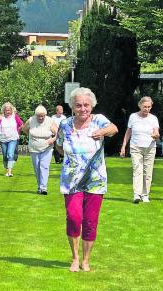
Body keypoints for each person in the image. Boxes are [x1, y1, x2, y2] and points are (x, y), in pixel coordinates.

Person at [55, 87, 118, 272]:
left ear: (92, 105)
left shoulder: (98, 120)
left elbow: (114, 128)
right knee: (74, 218)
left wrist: (103, 133)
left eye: (86, 105)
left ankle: (86, 260)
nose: (83, 109)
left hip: (95, 180)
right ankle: (74, 258)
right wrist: (72, 159)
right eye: (79, 105)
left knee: (90, 221)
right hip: (72, 180)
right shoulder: (65, 125)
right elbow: (59, 146)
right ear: (73, 107)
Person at [121, 96, 160, 203]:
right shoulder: (133, 117)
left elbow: (156, 132)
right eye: (144, 107)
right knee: (137, 170)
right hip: (136, 147)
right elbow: (128, 132)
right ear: (140, 106)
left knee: (147, 172)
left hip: (150, 148)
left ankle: (145, 194)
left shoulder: (153, 118)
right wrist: (123, 146)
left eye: (149, 107)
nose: (146, 109)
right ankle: (137, 194)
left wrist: (155, 135)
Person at [22, 105, 58, 195]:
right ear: (36, 115)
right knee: (37, 167)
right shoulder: (31, 120)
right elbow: (24, 129)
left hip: (47, 148)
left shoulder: (50, 121)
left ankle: (44, 188)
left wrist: (52, 140)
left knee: (44, 166)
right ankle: (39, 186)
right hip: (34, 148)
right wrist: (31, 137)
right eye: (39, 116)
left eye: (42, 116)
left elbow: (59, 133)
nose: (41, 118)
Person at [0, 102, 22, 177]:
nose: (7, 112)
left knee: (10, 154)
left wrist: (17, 131)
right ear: (3, 110)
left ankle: (9, 171)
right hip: (3, 139)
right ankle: (6, 170)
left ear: (11, 110)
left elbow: (21, 124)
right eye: (6, 110)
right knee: (5, 155)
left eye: (9, 110)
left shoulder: (15, 116)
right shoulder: (1, 117)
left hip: (13, 138)